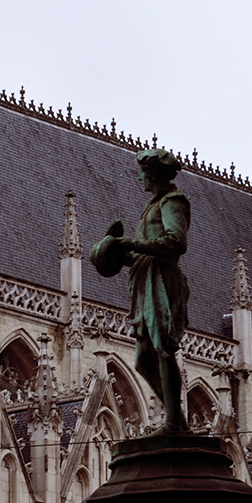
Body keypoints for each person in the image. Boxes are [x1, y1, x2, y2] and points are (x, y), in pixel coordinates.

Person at [90, 148, 191, 434]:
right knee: (143, 361)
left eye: (143, 173)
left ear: (154, 174)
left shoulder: (173, 202)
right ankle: (180, 424)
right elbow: (142, 254)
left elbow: (176, 243)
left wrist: (131, 244)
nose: (139, 178)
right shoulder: (153, 205)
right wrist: (118, 254)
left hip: (162, 280)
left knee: (162, 350)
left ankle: (172, 423)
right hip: (145, 279)